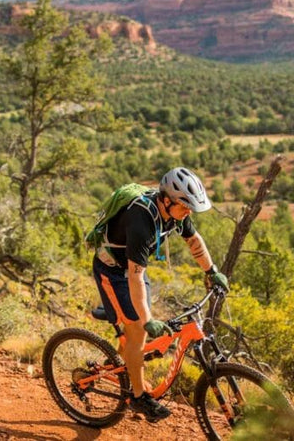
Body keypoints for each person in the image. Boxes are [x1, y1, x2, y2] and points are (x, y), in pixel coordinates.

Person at [92, 167, 229, 422]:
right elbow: (133, 277)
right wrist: (146, 320)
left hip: (130, 268)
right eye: (185, 206)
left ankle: (124, 363)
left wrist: (212, 271)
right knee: (138, 328)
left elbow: (194, 241)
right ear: (166, 200)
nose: (188, 212)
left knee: (138, 331)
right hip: (111, 271)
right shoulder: (141, 221)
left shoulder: (176, 213)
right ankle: (138, 396)